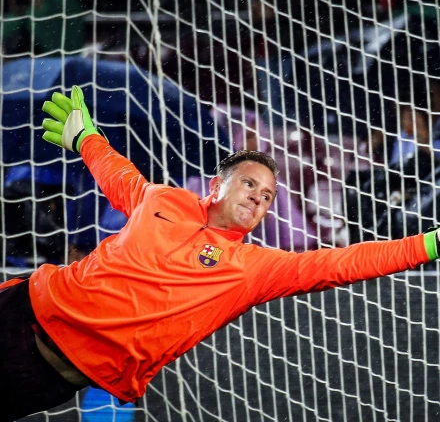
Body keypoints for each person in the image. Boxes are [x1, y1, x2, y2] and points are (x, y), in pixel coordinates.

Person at [1, 86, 439, 422]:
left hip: (47, 372)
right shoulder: (163, 199)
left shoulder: (252, 269)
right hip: (20, 307)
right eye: (249, 183)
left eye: (267, 196)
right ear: (217, 185)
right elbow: (121, 177)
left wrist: (430, 244)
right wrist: (86, 138)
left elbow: (343, 263)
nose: (258, 197)